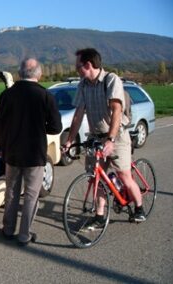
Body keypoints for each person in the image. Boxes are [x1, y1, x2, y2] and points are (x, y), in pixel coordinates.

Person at [63, 48, 146, 229]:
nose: (76, 70)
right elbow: (78, 114)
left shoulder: (111, 80)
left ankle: (139, 208)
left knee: (124, 175)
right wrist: (69, 140)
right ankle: (99, 216)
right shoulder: (83, 84)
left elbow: (116, 110)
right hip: (95, 136)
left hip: (116, 135)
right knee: (96, 177)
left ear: (88, 65)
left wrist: (111, 139)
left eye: (78, 67)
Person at [0, 58, 62, 246]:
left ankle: (8, 229)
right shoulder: (45, 96)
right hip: (34, 153)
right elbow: (56, 127)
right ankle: (24, 235)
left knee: (11, 192)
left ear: (20, 73)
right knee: (31, 195)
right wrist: (41, 127)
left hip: (12, 152)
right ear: (38, 74)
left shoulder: (6, 95)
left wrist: (0, 146)